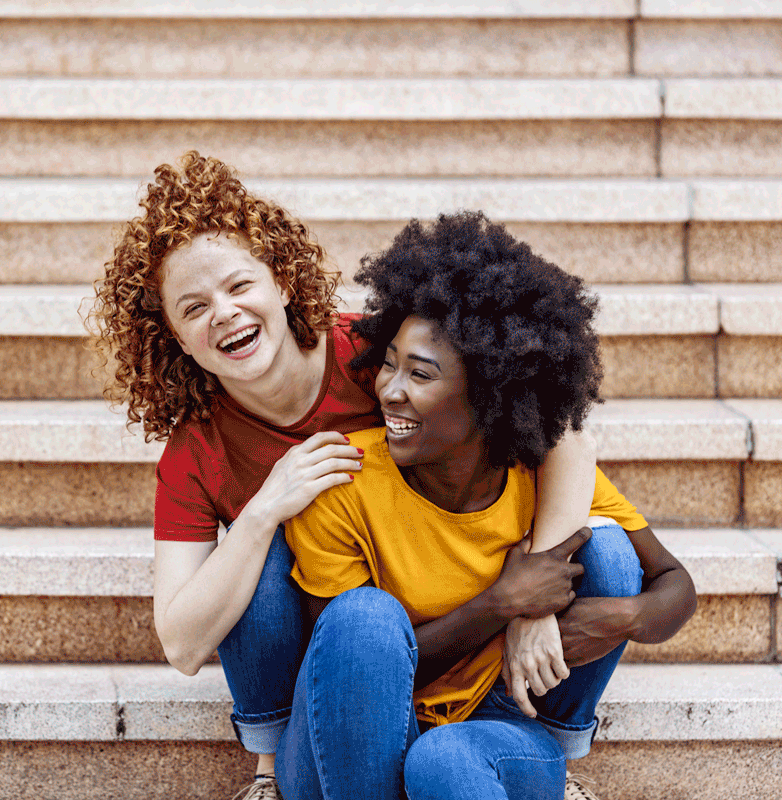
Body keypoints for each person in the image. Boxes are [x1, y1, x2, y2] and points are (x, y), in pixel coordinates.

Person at [89, 152, 600, 799]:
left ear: (280, 280)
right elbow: (182, 642)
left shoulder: (377, 357)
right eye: (193, 308)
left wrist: (534, 594)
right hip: (330, 689)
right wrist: (264, 507)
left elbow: (569, 430)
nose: (223, 311)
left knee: (602, 549)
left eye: (239, 285)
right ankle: (271, 771)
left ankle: (542, 759)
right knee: (284, 560)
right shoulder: (197, 452)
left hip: (454, 641)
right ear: (175, 340)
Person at [281, 211, 698, 800]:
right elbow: (352, 677)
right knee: (363, 622)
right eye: (390, 363)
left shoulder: (538, 473)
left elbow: (675, 584)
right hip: (348, 746)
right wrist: (503, 604)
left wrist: (610, 621)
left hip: (493, 725)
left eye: (420, 374)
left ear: (488, 393)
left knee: (605, 552)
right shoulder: (344, 480)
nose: (389, 389)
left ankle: (554, 743)